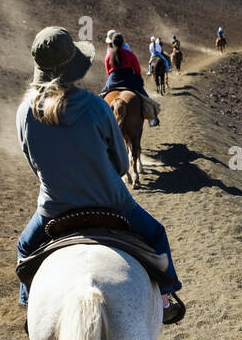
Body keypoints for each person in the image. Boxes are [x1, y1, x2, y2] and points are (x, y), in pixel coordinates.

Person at [15, 26, 183, 322]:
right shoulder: (95, 106)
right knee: (156, 234)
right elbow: (120, 165)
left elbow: (35, 167)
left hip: (53, 209)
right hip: (113, 204)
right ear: (73, 66)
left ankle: (29, 307)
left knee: (25, 246)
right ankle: (165, 298)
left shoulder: (24, 113)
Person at [102, 32, 160, 125]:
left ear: (113, 43)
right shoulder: (130, 54)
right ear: (122, 43)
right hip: (129, 80)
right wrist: (138, 79)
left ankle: (97, 122)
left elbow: (108, 71)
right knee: (144, 95)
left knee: (101, 96)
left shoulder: (108, 56)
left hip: (113, 80)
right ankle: (152, 118)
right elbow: (137, 70)